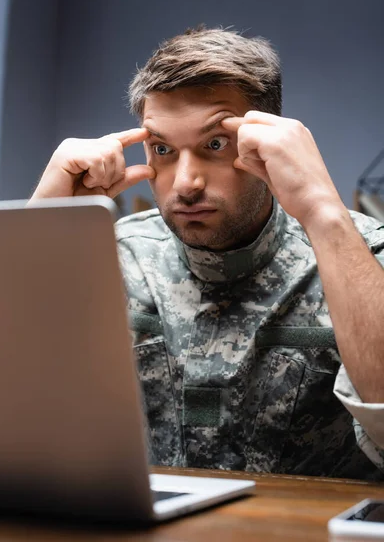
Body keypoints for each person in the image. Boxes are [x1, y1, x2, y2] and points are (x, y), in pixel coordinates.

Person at [31, 27, 384, 479]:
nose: (185, 183)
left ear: (268, 141)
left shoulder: (359, 255)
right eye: (162, 149)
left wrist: (323, 213)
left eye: (215, 145)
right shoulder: (110, 257)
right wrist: (47, 220)